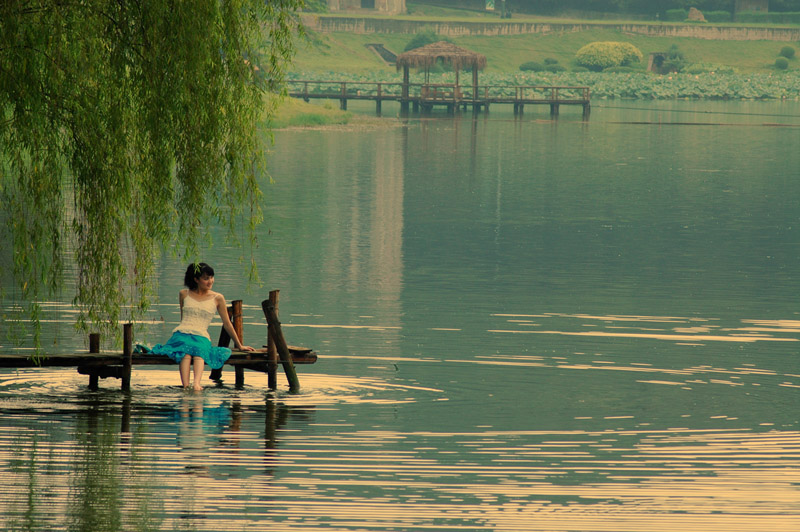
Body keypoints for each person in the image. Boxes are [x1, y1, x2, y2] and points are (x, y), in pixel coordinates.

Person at [153, 262, 253, 390]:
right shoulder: (184, 294)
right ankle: (185, 386)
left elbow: (227, 323)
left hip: (201, 335)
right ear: (196, 279)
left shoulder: (217, 298)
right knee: (186, 353)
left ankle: (196, 384)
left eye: (211, 277)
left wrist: (239, 345)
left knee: (199, 351)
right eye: (206, 278)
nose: (210, 281)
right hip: (182, 333)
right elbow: (183, 318)